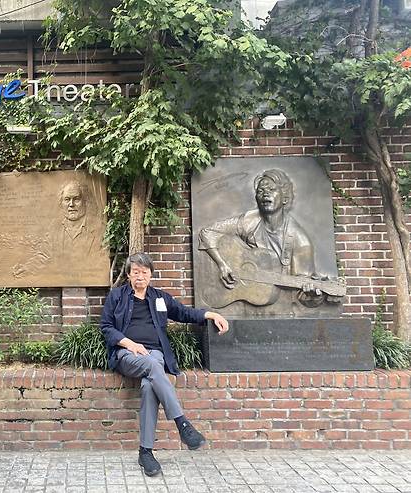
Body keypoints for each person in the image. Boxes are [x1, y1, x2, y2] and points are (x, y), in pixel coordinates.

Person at [100, 252, 229, 476]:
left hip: (155, 354)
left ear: (151, 275)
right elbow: (106, 327)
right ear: (129, 275)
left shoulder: (159, 298)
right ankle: (182, 423)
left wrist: (211, 314)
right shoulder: (117, 296)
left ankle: (145, 452)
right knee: (152, 366)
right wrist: (129, 344)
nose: (140, 276)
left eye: (144, 272)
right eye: (135, 272)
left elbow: (184, 312)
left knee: (150, 385)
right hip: (127, 354)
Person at [198, 168, 325, 305]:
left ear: (285, 198)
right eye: (260, 191)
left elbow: (302, 297)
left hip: (280, 307)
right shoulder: (248, 222)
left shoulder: (300, 241)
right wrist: (222, 265)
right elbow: (207, 232)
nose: (265, 194)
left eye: (271, 190)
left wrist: (312, 295)